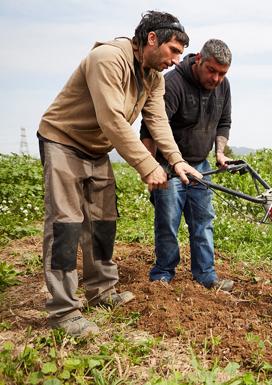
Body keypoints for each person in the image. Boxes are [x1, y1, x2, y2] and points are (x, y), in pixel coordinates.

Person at [37, 10, 203, 338]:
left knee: (103, 222)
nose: (175, 60)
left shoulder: (153, 78)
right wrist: (148, 165)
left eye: (180, 55)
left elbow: (157, 122)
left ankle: (101, 292)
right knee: (67, 225)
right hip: (63, 141)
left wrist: (176, 160)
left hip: (96, 149)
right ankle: (64, 311)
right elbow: (111, 119)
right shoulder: (107, 58)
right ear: (151, 38)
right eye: (173, 50)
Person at [140, 39, 234, 292]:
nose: (216, 78)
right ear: (199, 59)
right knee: (168, 221)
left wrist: (220, 154)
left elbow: (224, 122)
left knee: (203, 221)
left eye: (222, 74)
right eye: (211, 71)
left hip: (201, 165)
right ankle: (163, 274)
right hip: (169, 166)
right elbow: (150, 126)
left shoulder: (223, 86)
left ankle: (206, 275)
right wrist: (151, 167)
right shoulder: (173, 84)